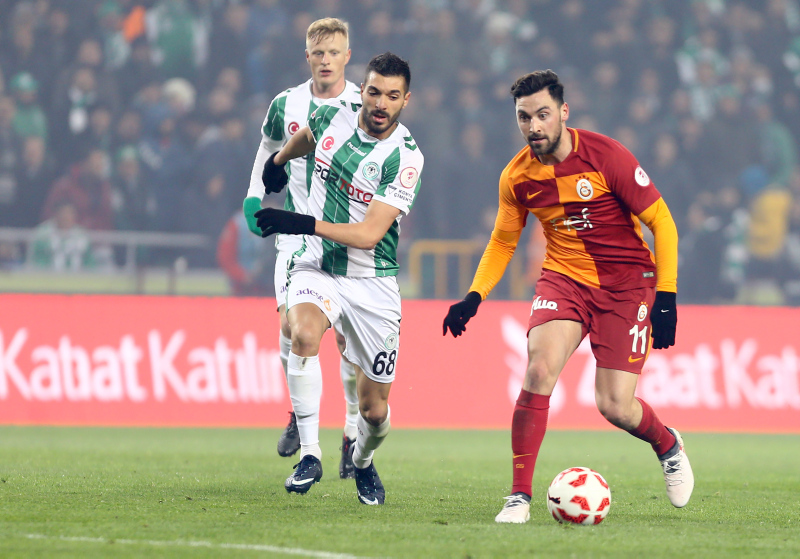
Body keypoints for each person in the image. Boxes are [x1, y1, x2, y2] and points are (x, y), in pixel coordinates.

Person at [442, 70, 694, 523]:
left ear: (563, 112)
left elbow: (663, 223)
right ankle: (519, 497)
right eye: (524, 117)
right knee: (538, 369)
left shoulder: (606, 155)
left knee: (615, 406)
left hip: (626, 287)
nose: (533, 126)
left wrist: (667, 296)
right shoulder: (516, 176)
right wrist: (474, 296)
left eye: (542, 114)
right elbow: (503, 241)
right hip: (564, 279)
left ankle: (668, 444)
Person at [252, 52, 422, 505]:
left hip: (372, 282)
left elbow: (368, 235)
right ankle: (310, 454)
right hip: (317, 265)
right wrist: (278, 161)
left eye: (392, 96)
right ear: (361, 90)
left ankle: (362, 460)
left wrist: (302, 222)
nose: (380, 104)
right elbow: (308, 136)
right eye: (374, 92)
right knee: (302, 334)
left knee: (375, 411)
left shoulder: (405, 158)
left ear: (406, 100)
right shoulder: (333, 114)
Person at [242, 18, 363, 478]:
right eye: (318, 53)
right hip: (295, 234)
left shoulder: (363, 105)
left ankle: (350, 431)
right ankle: (300, 414)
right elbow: (267, 148)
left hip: (344, 236)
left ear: (347, 56)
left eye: (334, 53)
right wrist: (254, 197)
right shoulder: (286, 104)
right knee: (293, 328)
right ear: (307, 56)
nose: (326, 60)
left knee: (349, 346)